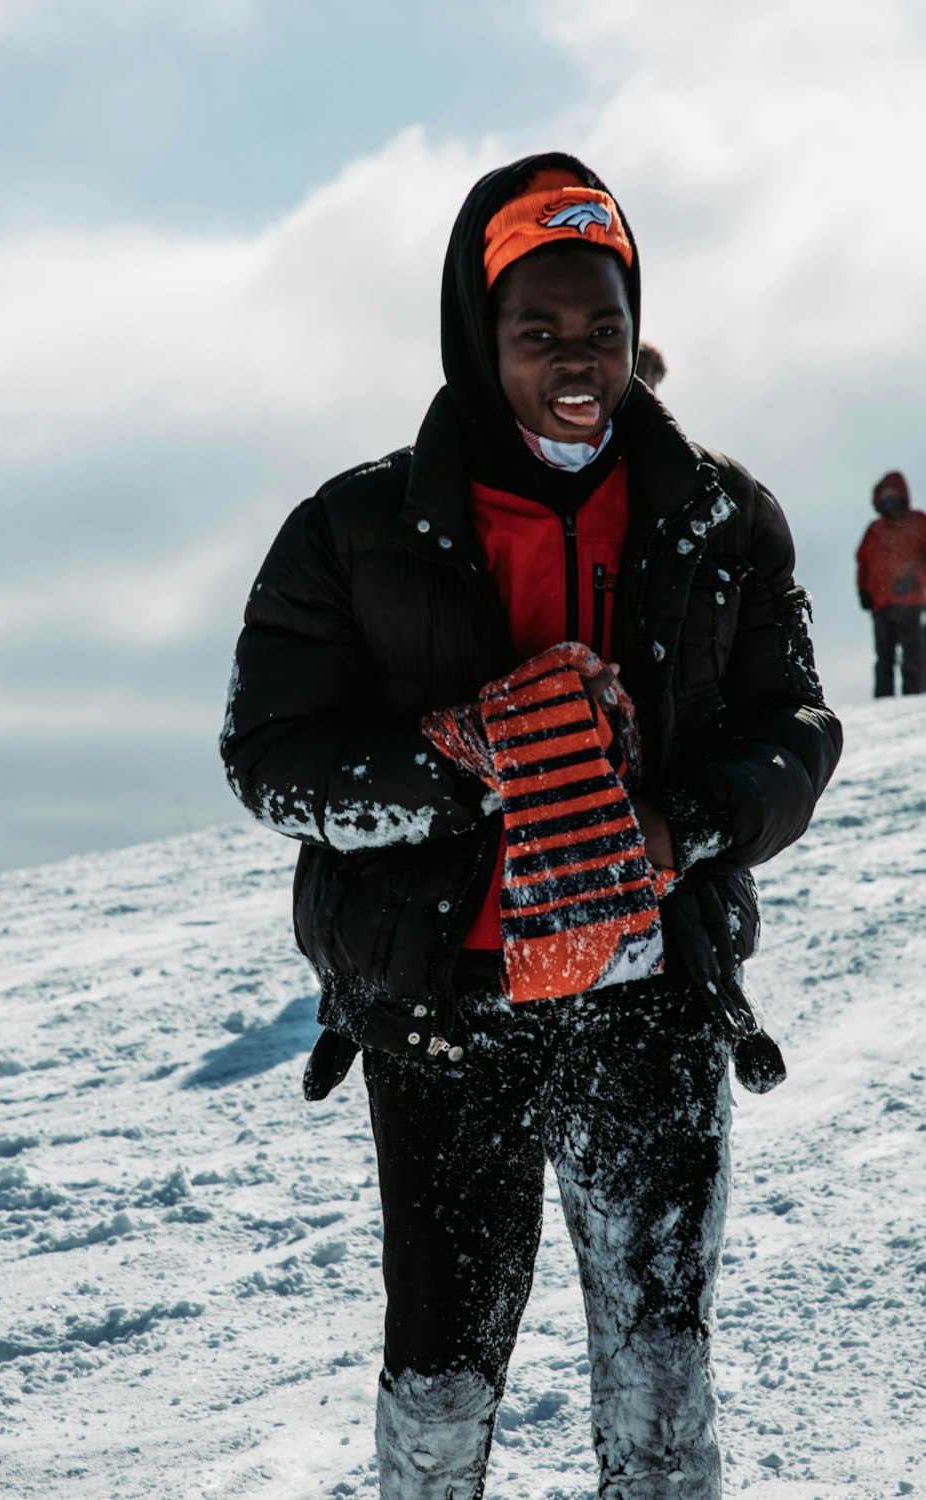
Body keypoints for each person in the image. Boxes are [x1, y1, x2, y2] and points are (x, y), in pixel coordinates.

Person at [221, 153, 842, 1500]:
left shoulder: (724, 518)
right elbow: (268, 760)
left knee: (662, 1367)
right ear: (477, 334)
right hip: (451, 1012)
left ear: (638, 330)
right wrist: (455, 757)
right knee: (442, 1371)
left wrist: (677, 830)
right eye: (538, 329)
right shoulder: (352, 529)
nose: (577, 357)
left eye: (602, 326)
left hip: (652, 999)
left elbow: (796, 728)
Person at [856, 471, 926, 696]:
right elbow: (863, 561)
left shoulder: (919, 522)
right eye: (885, 495)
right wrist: (862, 591)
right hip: (880, 604)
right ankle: (883, 702)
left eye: (893, 494)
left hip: (911, 601)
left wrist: (915, 580)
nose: (889, 499)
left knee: (913, 653)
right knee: (884, 658)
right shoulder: (874, 530)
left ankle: (913, 700)